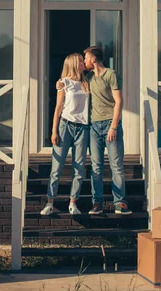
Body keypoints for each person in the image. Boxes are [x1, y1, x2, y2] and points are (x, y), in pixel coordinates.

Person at [57, 47, 132, 215]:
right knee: (96, 167)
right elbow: (70, 82)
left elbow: (119, 102)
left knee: (116, 166)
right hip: (92, 127)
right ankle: (97, 203)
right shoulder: (87, 78)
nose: (84, 61)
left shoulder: (111, 75)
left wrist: (113, 126)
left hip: (110, 125)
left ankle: (120, 203)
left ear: (93, 59)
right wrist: (59, 84)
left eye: (86, 57)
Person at [41, 53, 90, 216]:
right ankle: (50, 202)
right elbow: (58, 108)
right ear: (74, 64)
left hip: (82, 128)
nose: (84, 63)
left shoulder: (86, 83)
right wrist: (54, 131)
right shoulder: (64, 83)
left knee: (79, 168)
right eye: (81, 61)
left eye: (84, 61)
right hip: (65, 126)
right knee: (57, 167)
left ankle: (73, 202)